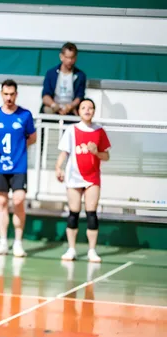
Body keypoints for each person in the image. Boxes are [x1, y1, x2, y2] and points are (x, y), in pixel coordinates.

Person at [0, 79, 36, 257]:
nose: (9, 97)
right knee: (2, 202)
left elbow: (33, 137)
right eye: (6, 94)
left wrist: (19, 149)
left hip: (18, 165)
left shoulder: (25, 115)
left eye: (12, 94)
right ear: (1, 94)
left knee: (19, 200)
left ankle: (18, 242)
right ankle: (3, 241)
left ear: (16, 94)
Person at [55, 99, 110, 263]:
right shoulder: (71, 130)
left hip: (92, 177)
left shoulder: (99, 131)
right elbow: (64, 153)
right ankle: (71, 248)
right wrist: (58, 167)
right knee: (74, 212)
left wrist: (96, 152)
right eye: (84, 107)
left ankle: (92, 250)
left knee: (91, 212)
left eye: (90, 108)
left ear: (94, 111)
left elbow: (106, 155)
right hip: (74, 177)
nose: (87, 110)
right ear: (78, 111)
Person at [41, 42, 86, 117]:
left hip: (72, 110)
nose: (69, 61)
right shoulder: (51, 73)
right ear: (61, 57)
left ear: (76, 58)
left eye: (72, 58)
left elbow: (79, 96)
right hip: (53, 108)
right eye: (67, 57)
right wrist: (54, 105)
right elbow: (45, 95)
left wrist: (70, 106)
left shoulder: (80, 75)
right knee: (46, 110)